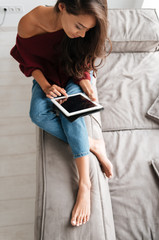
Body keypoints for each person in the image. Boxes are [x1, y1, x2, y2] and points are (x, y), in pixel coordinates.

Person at [10, 0, 113, 227]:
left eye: (87, 29)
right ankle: (91, 143)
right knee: (37, 114)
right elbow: (29, 62)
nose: (83, 34)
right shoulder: (28, 24)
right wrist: (46, 86)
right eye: (79, 27)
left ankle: (85, 184)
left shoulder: (80, 35)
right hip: (49, 75)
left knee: (72, 113)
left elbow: (84, 54)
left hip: (74, 71)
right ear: (63, 6)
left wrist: (85, 78)